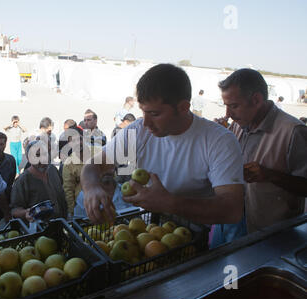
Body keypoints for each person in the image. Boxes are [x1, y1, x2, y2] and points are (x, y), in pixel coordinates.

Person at [80, 64, 245, 244]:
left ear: (183, 108)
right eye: (143, 112)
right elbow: (93, 166)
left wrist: (170, 203)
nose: (146, 123)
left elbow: (232, 209)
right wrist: (92, 188)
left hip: (193, 240)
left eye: (155, 113)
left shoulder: (219, 141)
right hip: (146, 235)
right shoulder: (137, 132)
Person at [216, 68, 307, 239]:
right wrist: (221, 138)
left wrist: (270, 175)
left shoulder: (294, 131)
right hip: (233, 221)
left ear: (256, 100)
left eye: (234, 106)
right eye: (226, 107)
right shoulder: (238, 124)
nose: (228, 114)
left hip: (272, 233)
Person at [10, 140, 68, 224]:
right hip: (40, 231)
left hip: (63, 225)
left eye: (44, 154)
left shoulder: (53, 170)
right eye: (37, 155)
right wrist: (26, 212)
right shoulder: (22, 181)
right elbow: (14, 210)